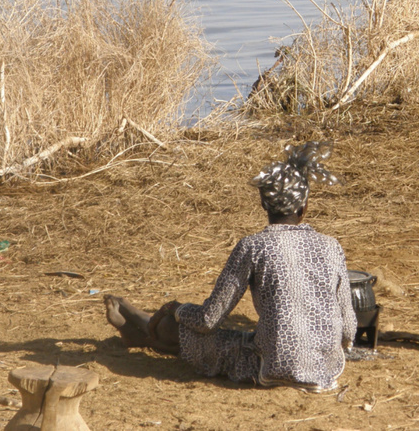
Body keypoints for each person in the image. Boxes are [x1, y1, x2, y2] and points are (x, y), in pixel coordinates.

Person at [104, 141, 357, 392]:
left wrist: (175, 308)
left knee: (189, 332)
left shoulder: (253, 246)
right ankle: (138, 329)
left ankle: (140, 330)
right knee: (243, 336)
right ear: (304, 207)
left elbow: (208, 320)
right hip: (327, 369)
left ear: (263, 205)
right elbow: (348, 330)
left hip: (268, 367)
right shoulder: (332, 246)